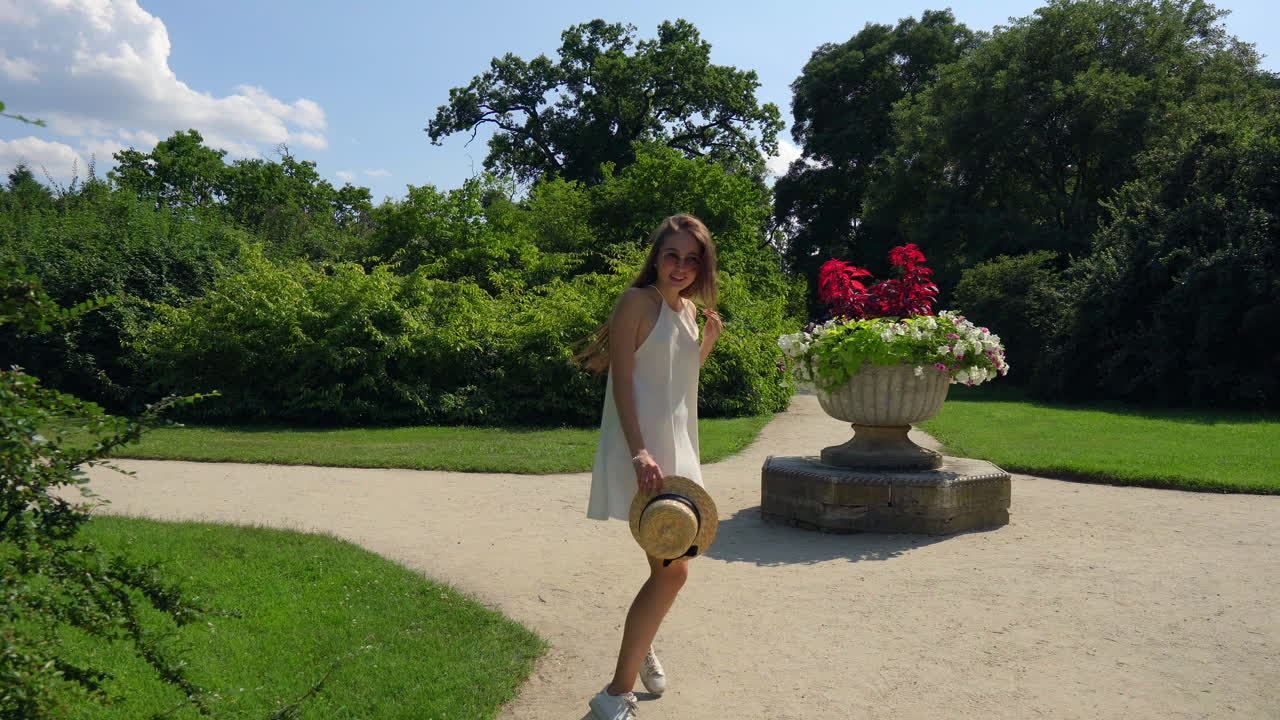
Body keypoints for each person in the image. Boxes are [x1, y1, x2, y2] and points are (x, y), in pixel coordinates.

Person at [577, 213, 723, 719]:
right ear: (656, 257)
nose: (680, 266)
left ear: (701, 266)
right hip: (644, 448)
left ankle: (640, 650)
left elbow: (675, 379)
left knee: (665, 563)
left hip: (678, 449)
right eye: (672, 255)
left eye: (691, 258)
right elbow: (624, 383)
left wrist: (705, 344)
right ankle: (614, 695)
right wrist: (639, 451)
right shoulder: (635, 303)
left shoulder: (686, 311)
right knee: (674, 572)